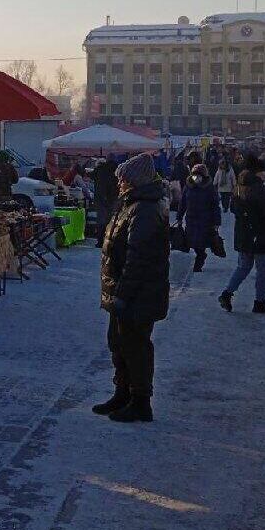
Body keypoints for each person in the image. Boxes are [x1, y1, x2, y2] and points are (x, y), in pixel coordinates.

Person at [93, 152, 170, 423]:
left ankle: (140, 400)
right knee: (119, 342)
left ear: (134, 180)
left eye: (123, 179)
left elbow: (138, 257)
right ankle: (122, 392)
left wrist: (124, 293)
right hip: (122, 289)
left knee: (135, 345)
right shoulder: (132, 203)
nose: (119, 183)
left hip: (138, 292)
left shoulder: (146, 209)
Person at [218, 156, 265, 314]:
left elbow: (233, 208)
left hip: (243, 232)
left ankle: (227, 293)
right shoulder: (258, 187)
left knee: (243, 266)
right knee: (263, 270)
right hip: (259, 233)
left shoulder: (239, 185)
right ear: (257, 171)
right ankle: (260, 301)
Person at [178, 163, 220, 272]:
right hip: (191, 219)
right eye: (194, 175)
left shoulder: (209, 188)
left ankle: (199, 262)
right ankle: (200, 256)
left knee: (201, 242)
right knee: (193, 242)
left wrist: (216, 221)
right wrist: (179, 216)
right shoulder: (188, 186)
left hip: (205, 220)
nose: (196, 178)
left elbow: (215, 205)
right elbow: (182, 202)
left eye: (199, 175)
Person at [92, 158, 119, 248]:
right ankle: (109, 239)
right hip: (113, 197)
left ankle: (100, 241)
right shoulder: (114, 170)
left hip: (100, 198)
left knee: (101, 220)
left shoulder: (98, 172)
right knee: (111, 220)